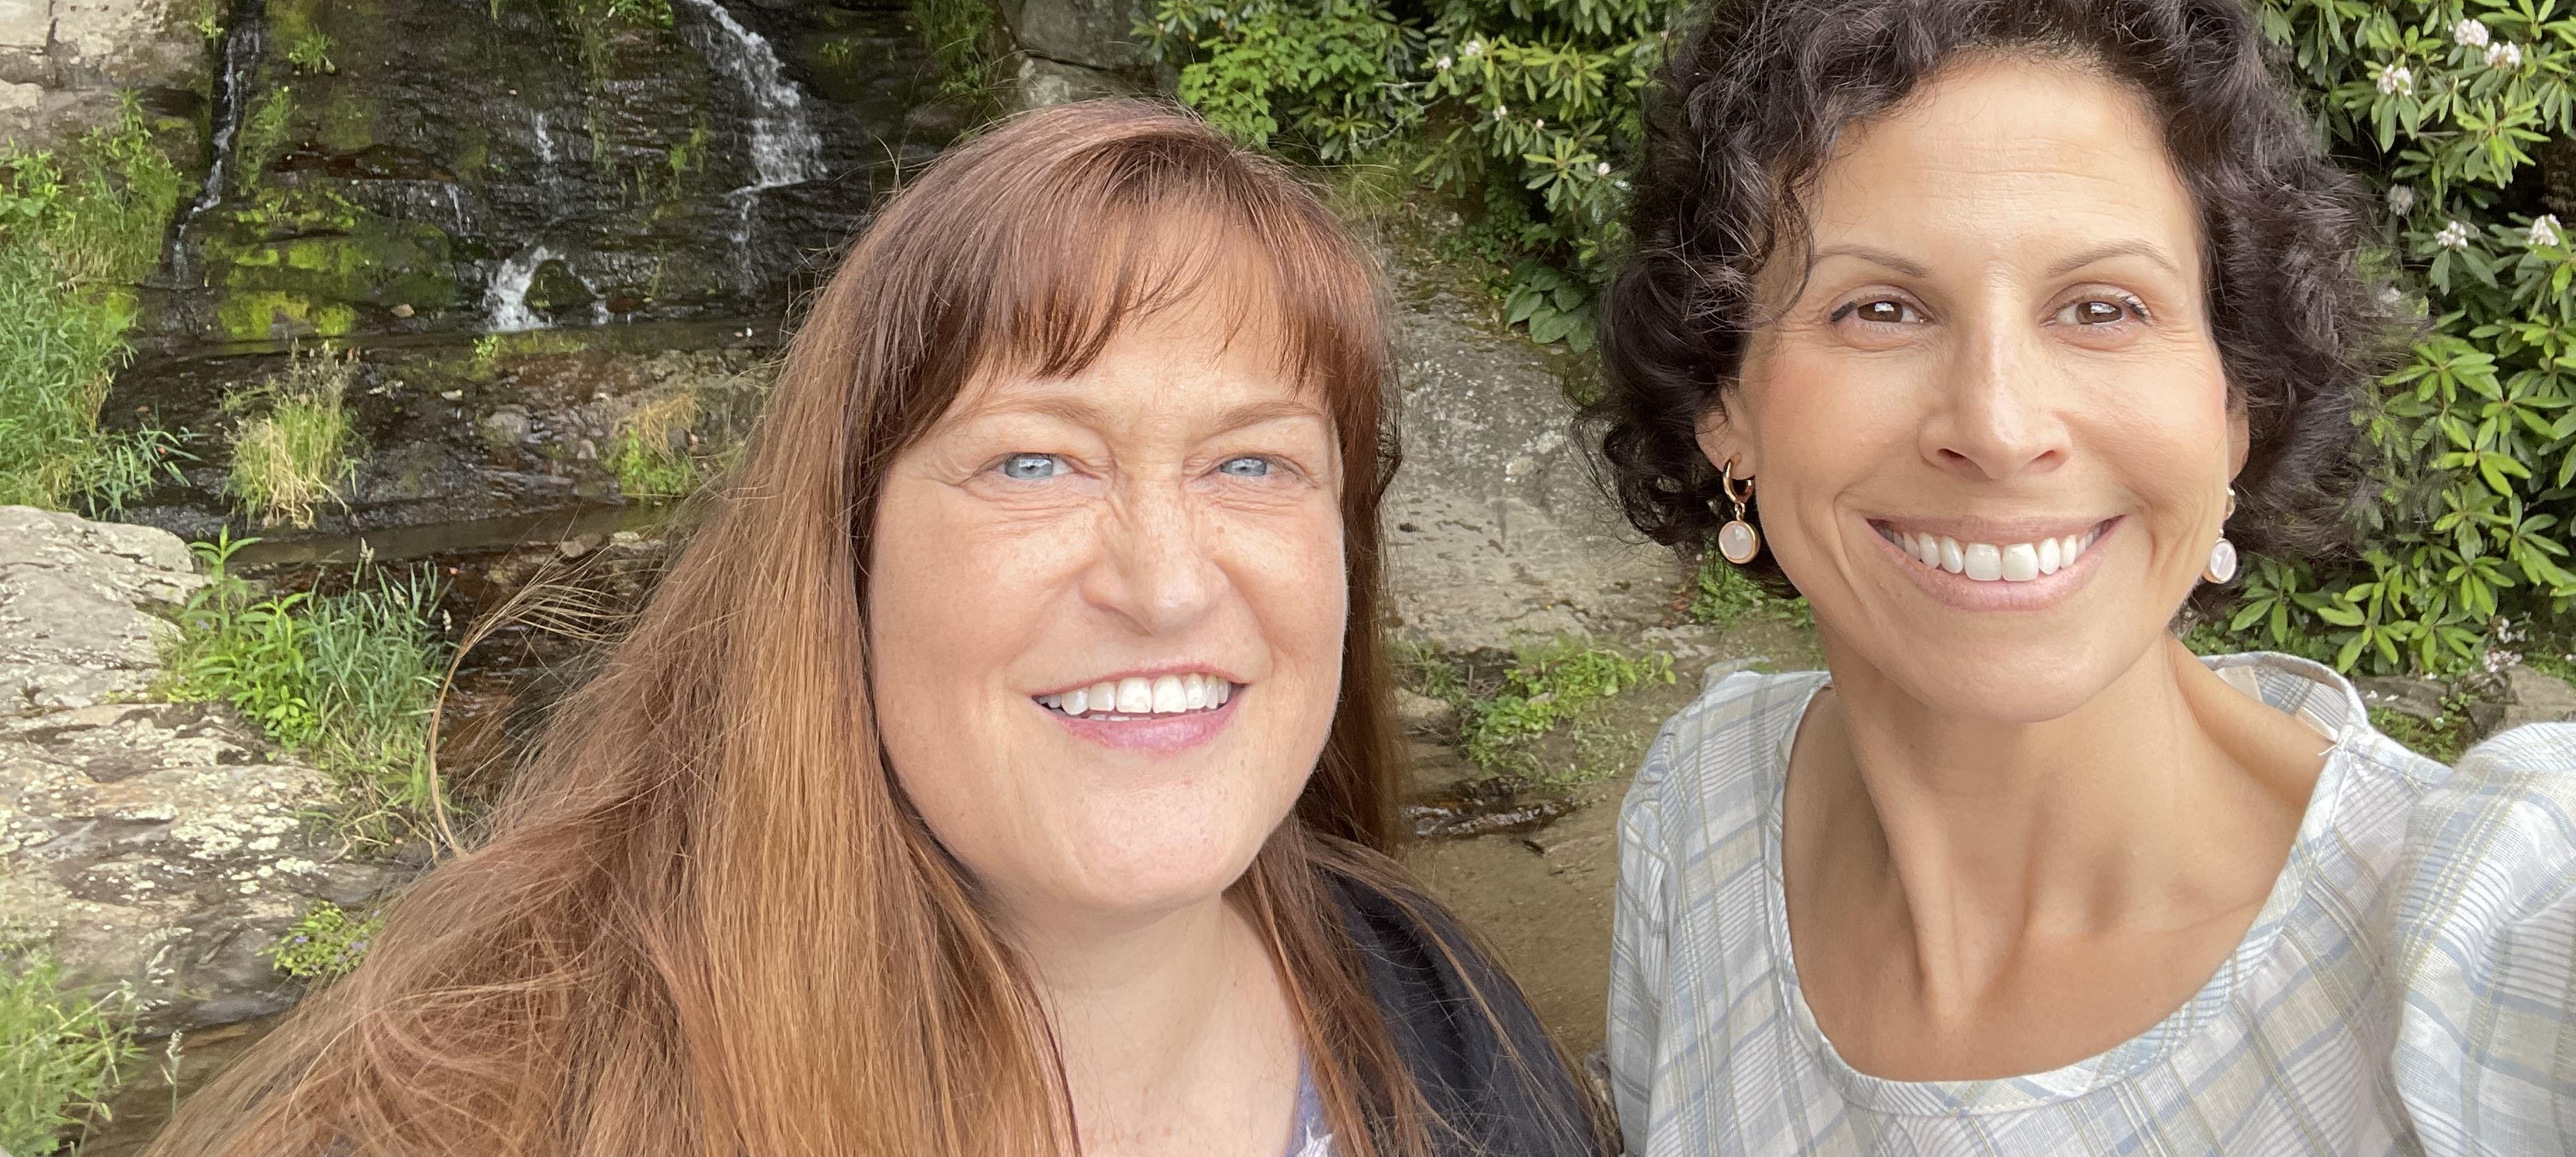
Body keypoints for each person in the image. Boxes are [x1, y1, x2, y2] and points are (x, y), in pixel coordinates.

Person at [1594, 0, 2576, 1156]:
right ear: (1723, 406)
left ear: (2234, 410)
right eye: (1880, 311)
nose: (2001, 426)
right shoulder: (1703, 810)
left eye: (2105, 307)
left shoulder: (2493, 952)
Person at [159, 99, 1601, 1157]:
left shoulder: (1447, 1021)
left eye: (1253, 463)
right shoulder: (495, 1105)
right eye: (1035, 460)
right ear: (842, 553)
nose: (1163, 584)